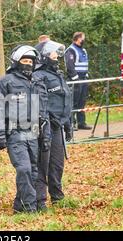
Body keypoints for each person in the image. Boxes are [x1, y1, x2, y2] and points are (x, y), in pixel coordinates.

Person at [0, 45, 50, 213]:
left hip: (34, 132)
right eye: (24, 60)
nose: (28, 64)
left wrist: (46, 135)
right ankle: (30, 207)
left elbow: (43, 111)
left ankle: (19, 205)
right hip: (15, 132)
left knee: (33, 170)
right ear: (16, 62)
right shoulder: (5, 82)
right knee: (24, 169)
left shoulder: (37, 82)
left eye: (30, 61)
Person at [33, 40, 73, 211]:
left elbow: (65, 100)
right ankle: (40, 200)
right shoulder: (38, 76)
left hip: (58, 126)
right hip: (44, 127)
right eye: (52, 54)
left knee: (57, 163)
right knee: (43, 164)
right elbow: (40, 103)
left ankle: (57, 196)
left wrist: (68, 123)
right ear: (43, 56)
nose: (56, 56)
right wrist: (46, 121)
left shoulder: (58, 74)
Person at [64, 32, 91, 130]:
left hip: (83, 79)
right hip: (75, 80)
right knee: (73, 102)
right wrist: (75, 78)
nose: (84, 40)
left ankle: (81, 122)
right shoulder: (71, 50)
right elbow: (70, 66)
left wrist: (86, 76)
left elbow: (85, 63)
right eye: (83, 38)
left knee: (82, 102)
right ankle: (71, 123)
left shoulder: (83, 50)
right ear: (78, 39)